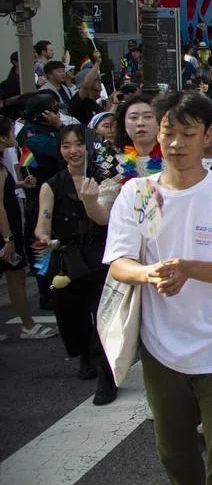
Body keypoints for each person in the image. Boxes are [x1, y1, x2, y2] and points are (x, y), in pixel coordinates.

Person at [103, 90, 212, 485]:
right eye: (168, 132)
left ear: (208, 135)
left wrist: (187, 268)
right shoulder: (138, 193)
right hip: (161, 347)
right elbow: (120, 262)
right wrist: (150, 274)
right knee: (174, 450)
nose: (175, 144)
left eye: (188, 134)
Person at [32, 124, 115, 400]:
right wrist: (44, 237)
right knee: (72, 315)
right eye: (66, 145)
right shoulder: (52, 184)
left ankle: (107, 375)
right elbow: (43, 220)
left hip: (100, 255)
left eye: (78, 144)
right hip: (68, 260)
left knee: (103, 315)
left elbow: (105, 217)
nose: (73, 150)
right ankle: (85, 355)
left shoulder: (106, 177)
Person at [0, 115, 59, 340]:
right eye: (11, 132)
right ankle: (28, 325)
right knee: (16, 278)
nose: (15, 135)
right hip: (6, 231)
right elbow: (0, 206)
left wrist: (19, 184)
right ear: (2, 137)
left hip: (8, 229)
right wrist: (8, 238)